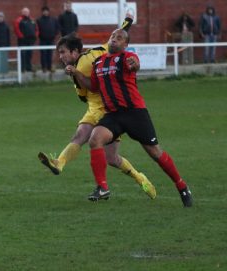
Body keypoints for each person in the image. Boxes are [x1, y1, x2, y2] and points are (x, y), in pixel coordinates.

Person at [67, 29, 193, 207]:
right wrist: (77, 74)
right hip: (113, 115)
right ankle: (102, 187)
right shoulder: (98, 63)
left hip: (135, 113)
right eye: (112, 36)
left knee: (155, 153)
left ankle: (181, 186)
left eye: (119, 38)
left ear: (125, 44)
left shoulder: (127, 57)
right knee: (95, 139)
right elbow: (93, 87)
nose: (114, 40)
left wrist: (135, 65)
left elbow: (134, 65)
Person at [38, 15, 156, 200]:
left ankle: (139, 178)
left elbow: (111, 43)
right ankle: (59, 163)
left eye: (63, 52)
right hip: (94, 108)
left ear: (75, 51)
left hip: (109, 109)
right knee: (99, 149)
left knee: (109, 156)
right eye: (59, 53)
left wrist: (128, 25)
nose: (60, 57)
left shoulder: (90, 57)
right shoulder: (74, 67)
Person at [14, 7, 39, 72]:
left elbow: (36, 29)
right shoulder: (19, 20)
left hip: (31, 41)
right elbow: (16, 29)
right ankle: (22, 68)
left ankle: (29, 67)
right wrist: (21, 37)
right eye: (25, 12)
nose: (26, 13)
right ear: (22, 12)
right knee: (22, 55)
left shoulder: (32, 20)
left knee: (29, 54)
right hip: (22, 41)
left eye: (27, 12)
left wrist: (35, 36)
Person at [37, 6, 59, 72]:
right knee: (43, 54)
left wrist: (54, 34)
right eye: (44, 11)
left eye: (46, 11)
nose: (45, 12)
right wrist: (40, 36)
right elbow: (37, 30)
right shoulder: (39, 20)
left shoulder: (53, 19)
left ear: (48, 12)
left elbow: (57, 28)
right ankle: (44, 67)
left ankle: (49, 67)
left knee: (50, 54)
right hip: (42, 40)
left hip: (51, 40)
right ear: (42, 12)